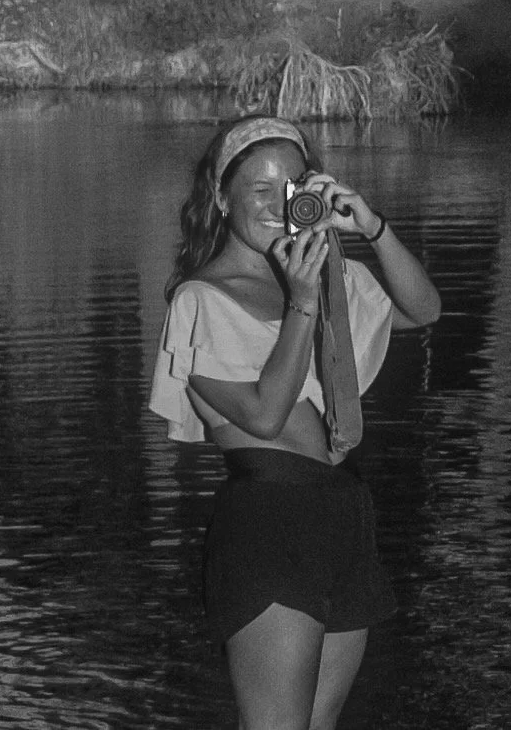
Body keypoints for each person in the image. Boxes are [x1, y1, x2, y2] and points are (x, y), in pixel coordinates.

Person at [149, 116, 441, 730]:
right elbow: (264, 414)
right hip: (269, 518)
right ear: (220, 197)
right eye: (258, 189)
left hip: (343, 513)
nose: (276, 205)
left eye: (290, 187)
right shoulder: (200, 299)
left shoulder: (322, 277)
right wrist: (302, 306)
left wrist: (372, 227)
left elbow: (423, 310)